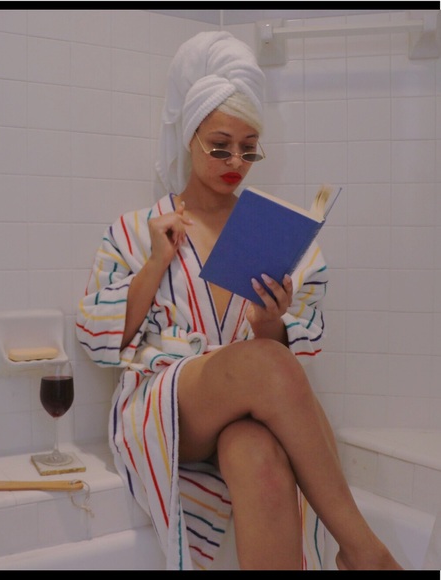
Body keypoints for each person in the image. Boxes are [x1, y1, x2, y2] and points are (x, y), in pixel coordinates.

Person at [76, 31, 401, 571]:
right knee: (264, 360)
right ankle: (364, 551)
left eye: (249, 148)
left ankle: (356, 553)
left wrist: (270, 321)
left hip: (244, 409)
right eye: (220, 145)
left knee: (259, 458)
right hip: (167, 408)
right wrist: (156, 262)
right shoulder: (137, 230)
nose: (236, 160)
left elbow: (293, 348)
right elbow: (97, 339)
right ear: (190, 137)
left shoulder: (273, 232)